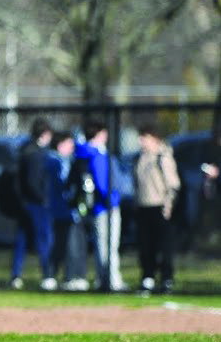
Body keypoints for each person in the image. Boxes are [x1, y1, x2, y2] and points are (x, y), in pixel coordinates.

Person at [76, 120, 126, 292]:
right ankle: (111, 280)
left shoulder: (84, 153)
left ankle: (103, 279)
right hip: (106, 206)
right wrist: (111, 200)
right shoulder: (97, 155)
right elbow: (102, 182)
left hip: (99, 207)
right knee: (109, 246)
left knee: (102, 246)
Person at [134, 124, 181, 294]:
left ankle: (166, 278)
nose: (141, 142)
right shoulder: (141, 157)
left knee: (164, 247)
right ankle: (148, 277)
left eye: (144, 138)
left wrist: (168, 206)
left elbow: (173, 185)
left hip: (160, 208)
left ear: (153, 138)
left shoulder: (163, 157)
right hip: (144, 207)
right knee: (146, 246)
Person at [10, 119, 55, 290]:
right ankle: (47, 275)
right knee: (43, 240)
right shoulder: (36, 154)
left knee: (21, 241)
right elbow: (32, 182)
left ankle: (16, 275)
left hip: (24, 203)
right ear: (44, 135)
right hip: (35, 204)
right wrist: (42, 198)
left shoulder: (24, 150)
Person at [47, 131, 88, 290]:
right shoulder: (56, 161)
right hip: (64, 211)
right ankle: (68, 276)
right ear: (60, 144)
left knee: (70, 244)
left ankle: (70, 276)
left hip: (67, 212)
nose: (72, 147)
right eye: (69, 144)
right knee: (67, 245)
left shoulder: (65, 161)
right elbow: (65, 185)